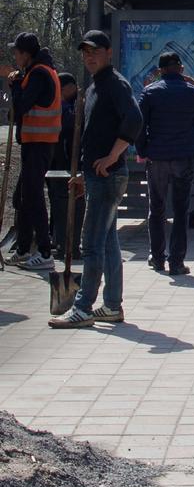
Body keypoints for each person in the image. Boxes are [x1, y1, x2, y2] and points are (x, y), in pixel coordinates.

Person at [49, 30, 142, 329]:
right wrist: (82, 173)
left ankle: (83, 307)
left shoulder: (115, 84)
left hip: (108, 176)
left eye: (95, 51)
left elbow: (135, 120)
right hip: (97, 175)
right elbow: (91, 134)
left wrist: (114, 156)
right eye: (85, 52)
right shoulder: (94, 87)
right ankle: (112, 306)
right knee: (109, 242)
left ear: (109, 53)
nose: (90, 57)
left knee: (90, 244)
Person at [136, 52, 194, 276]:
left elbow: (139, 125)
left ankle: (157, 257)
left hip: (158, 157)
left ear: (160, 70)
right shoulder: (193, 92)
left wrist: (144, 151)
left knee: (157, 208)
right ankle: (177, 262)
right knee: (181, 210)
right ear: (181, 68)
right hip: (185, 157)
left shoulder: (149, 92)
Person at [3, 32, 62, 271]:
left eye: (16, 53)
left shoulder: (38, 74)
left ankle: (45, 251)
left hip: (39, 143)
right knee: (23, 197)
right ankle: (24, 248)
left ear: (26, 54)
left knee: (34, 197)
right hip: (34, 143)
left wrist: (15, 85)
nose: (15, 58)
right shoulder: (38, 71)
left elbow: (21, 107)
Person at [48, 72, 83, 259]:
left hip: (73, 166)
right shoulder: (63, 105)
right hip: (58, 165)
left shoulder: (77, 105)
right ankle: (62, 244)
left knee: (71, 205)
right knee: (59, 205)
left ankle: (71, 246)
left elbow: (72, 126)